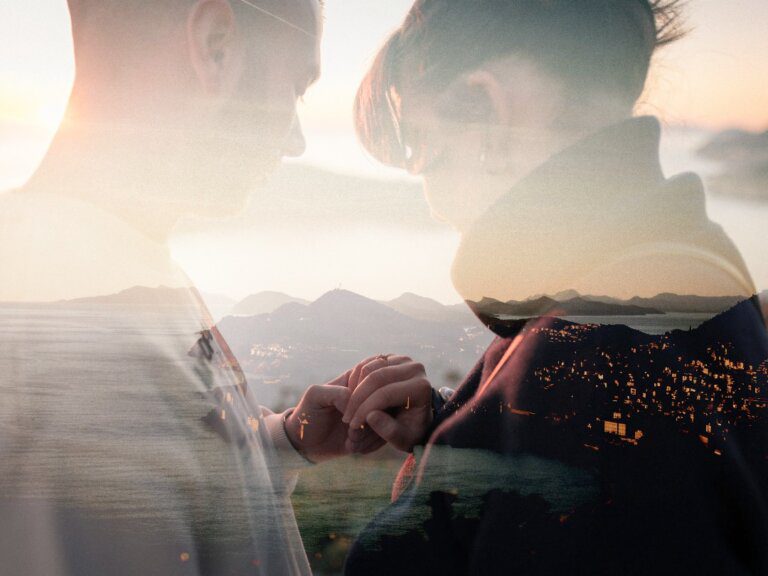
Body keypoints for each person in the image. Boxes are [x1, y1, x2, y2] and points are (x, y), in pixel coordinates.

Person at [0, 1, 431, 574]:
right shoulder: (77, 348)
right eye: (297, 88)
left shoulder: (112, 268)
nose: (297, 139)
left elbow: (176, 486)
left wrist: (278, 443)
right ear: (215, 46)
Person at [343, 1, 768, 574]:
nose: (431, 196)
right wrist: (460, 433)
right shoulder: (696, 264)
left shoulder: (591, 355)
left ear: (484, 107)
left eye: (420, 147)